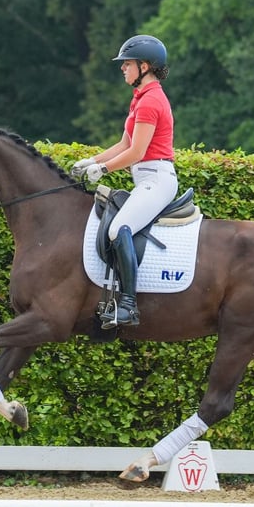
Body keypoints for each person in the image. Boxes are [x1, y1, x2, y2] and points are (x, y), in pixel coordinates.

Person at [71, 34, 178, 329]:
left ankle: (129, 306)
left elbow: (137, 152)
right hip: (146, 178)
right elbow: (123, 144)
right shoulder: (140, 99)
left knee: (119, 229)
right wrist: (91, 161)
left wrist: (103, 170)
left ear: (144, 66)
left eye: (127, 64)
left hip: (156, 179)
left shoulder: (151, 101)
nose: (122, 69)